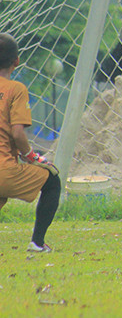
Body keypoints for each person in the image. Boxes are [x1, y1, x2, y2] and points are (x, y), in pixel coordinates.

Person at [0, 33, 61, 253]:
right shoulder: (16, 89)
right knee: (52, 180)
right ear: (16, 61)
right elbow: (17, 134)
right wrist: (33, 156)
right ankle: (37, 242)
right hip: (4, 171)